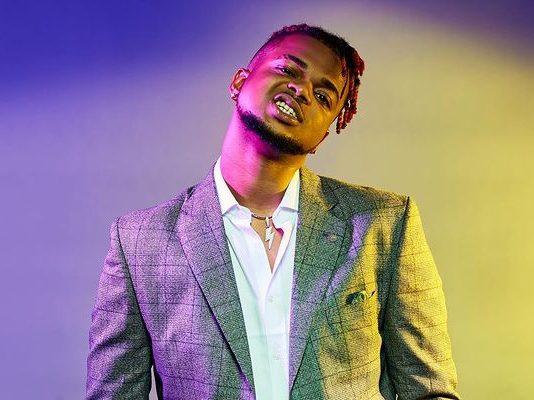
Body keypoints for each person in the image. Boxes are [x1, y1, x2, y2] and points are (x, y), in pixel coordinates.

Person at [86, 24, 460, 400]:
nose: (302, 91)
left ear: (323, 136)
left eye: (323, 95)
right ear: (239, 82)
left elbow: (430, 390)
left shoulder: (384, 223)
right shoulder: (139, 243)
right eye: (288, 70)